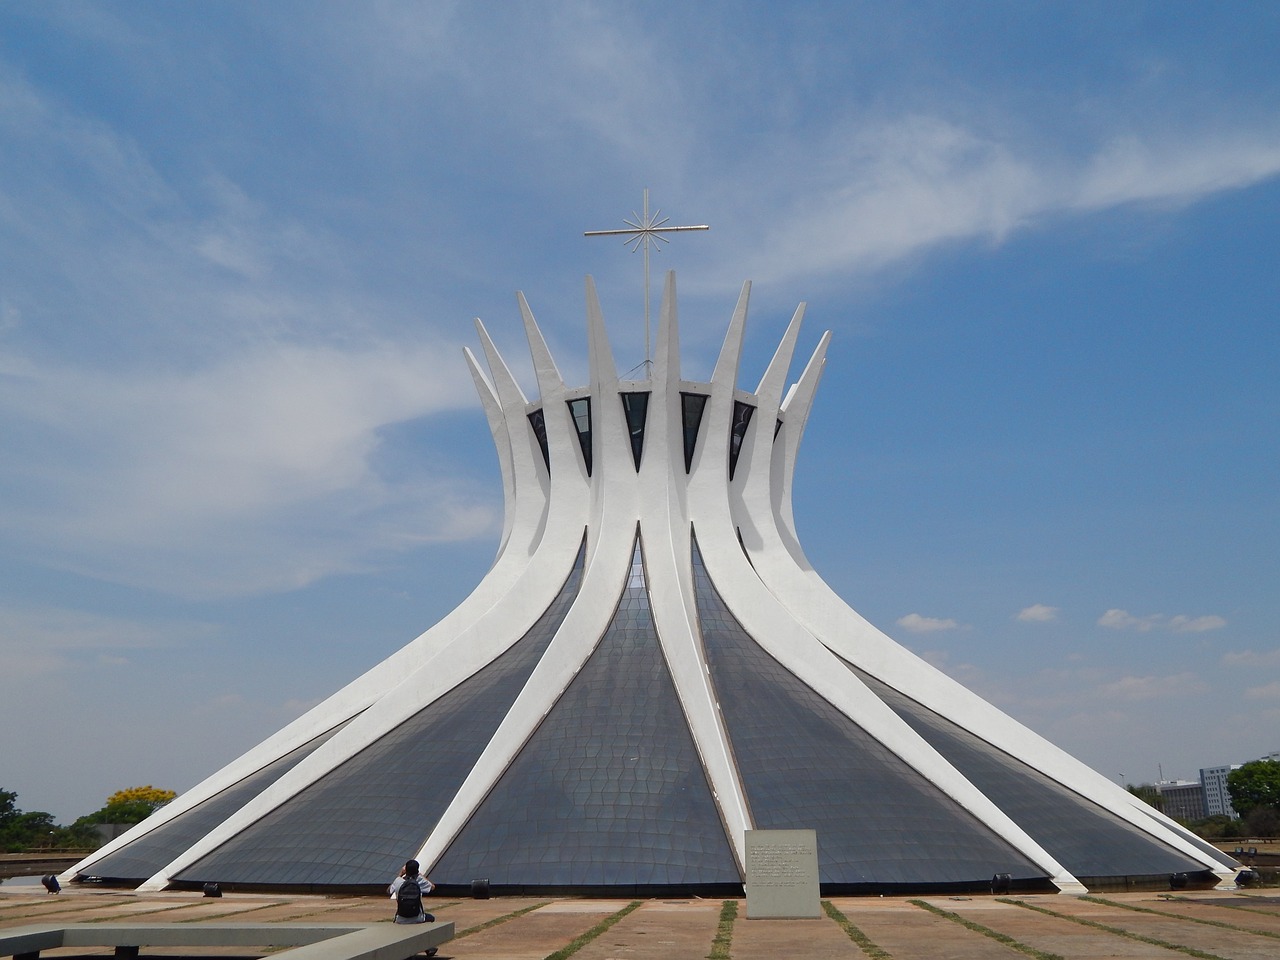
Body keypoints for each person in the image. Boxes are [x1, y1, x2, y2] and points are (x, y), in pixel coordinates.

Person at [388, 859, 435, 925]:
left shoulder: (398, 881)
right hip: (418, 918)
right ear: (417, 870)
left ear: (406, 870)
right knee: (432, 918)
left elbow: (389, 890)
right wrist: (420, 875)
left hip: (400, 918)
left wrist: (400, 874)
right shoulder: (419, 880)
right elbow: (432, 887)